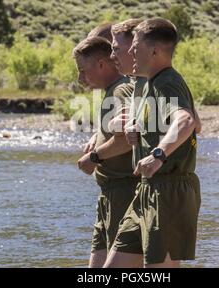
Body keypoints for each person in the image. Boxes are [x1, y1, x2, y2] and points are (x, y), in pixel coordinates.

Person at [104, 18, 201, 268]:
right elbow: (194, 123)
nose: (130, 52)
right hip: (146, 190)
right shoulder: (150, 84)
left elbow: (187, 120)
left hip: (168, 190)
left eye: (135, 47)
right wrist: (135, 129)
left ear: (154, 51)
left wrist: (158, 154)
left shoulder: (167, 81)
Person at [73, 36, 139, 267]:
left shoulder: (120, 91)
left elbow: (129, 139)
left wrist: (94, 157)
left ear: (101, 64)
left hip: (123, 191)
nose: (80, 78)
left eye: (82, 71)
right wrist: (97, 138)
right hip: (108, 194)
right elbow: (115, 133)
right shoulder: (114, 90)